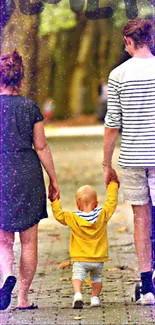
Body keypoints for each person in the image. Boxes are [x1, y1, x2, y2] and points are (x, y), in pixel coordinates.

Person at [0, 49, 60, 310]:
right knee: (29, 241)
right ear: (20, 79)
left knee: (3, 239)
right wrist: (53, 179)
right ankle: (23, 298)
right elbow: (42, 147)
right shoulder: (29, 107)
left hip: (1, 173)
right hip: (27, 174)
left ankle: (5, 276)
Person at [103, 18, 155, 305]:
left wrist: (106, 163)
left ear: (129, 42)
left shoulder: (118, 75)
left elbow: (112, 124)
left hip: (133, 157)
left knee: (140, 219)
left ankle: (147, 287)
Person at [50, 170, 119, 309]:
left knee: (77, 276)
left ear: (77, 204)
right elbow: (112, 203)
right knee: (97, 279)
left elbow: (59, 216)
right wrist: (113, 185)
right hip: (98, 258)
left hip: (80, 258)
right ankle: (95, 298)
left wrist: (54, 201)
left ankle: (78, 294)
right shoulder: (102, 214)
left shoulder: (73, 217)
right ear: (96, 203)